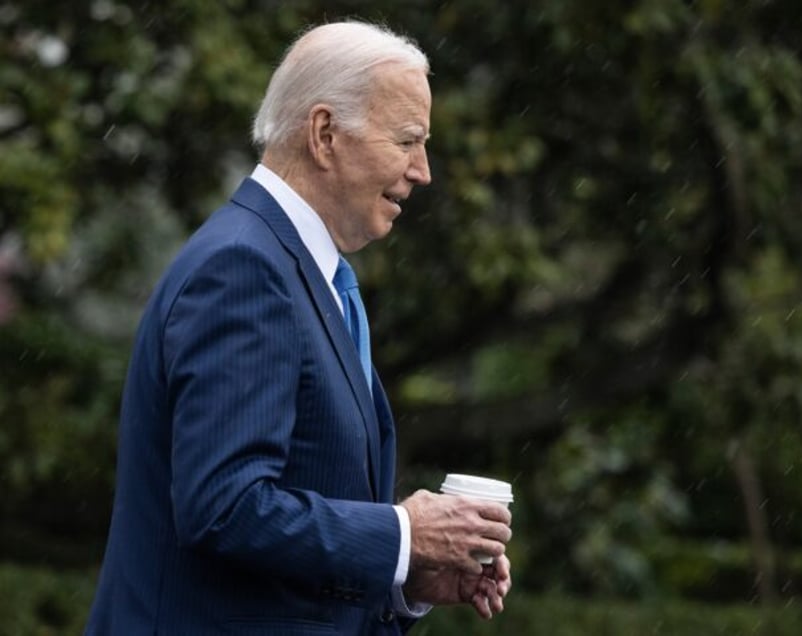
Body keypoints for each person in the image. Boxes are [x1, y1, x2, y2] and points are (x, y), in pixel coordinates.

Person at [85, 19, 512, 635]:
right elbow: (225, 508)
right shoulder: (245, 268)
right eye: (408, 141)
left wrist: (404, 575)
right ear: (324, 134)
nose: (423, 171)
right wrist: (402, 532)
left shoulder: (304, 272)